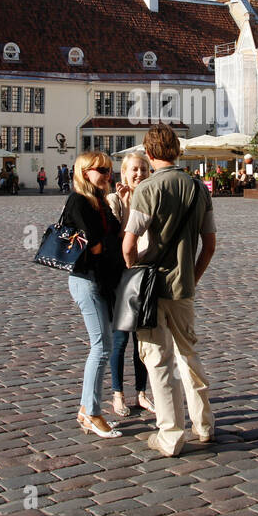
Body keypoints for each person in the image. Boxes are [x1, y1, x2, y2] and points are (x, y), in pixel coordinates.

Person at [123, 124, 217, 458]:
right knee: (189, 354)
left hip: (150, 287)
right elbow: (209, 245)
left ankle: (171, 434)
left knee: (157, 360)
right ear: (177, 151)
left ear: (149, 154)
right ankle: (203, 425)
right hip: (183, 286)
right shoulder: (197, 187)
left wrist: (134, 275)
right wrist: (193, 276)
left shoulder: (147, 189)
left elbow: (129, 243)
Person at [62, 151, 126, 438]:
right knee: (101, 347)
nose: (107, 175)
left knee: (103, 345)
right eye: (101, 170)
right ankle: (92, 412)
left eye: (109, 170)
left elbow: (116, 234)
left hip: (102, 279)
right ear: (85, 172)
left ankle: (86, 408)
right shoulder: (78, 200)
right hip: (86, 279)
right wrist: (106, 243)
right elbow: (95, 244)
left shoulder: (100, 201)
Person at [106, 153, 154, 417]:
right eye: (134, 169)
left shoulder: (150, 198)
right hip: (122, 276)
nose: (139, 174)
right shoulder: (114, 200)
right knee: (121, 338)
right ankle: (117, 394)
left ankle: (142, 393)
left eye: (144, 169)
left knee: (143, 339)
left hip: (145, 273)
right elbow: (117, 242)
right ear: (123, 173)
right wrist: (126, 206)